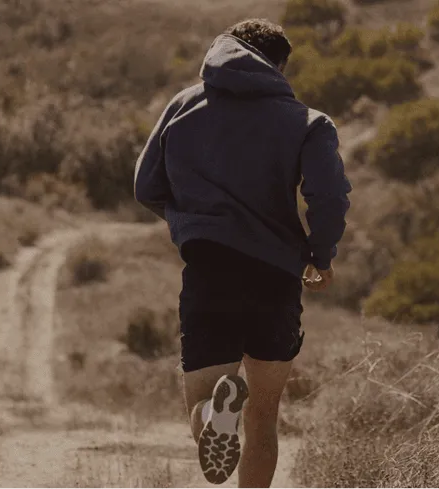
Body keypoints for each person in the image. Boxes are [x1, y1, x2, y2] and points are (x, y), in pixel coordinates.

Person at [132, 17, 352, 488]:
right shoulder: (308, 122)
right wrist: (322, 254)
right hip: (276, 277)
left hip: (210, 269)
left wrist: (189, 222)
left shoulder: (183, 105)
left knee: (202, 403)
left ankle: (215, 413)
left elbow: (145, 185)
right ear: (279, 67)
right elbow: (329, 197)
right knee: (264, 417)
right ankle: (229, 422)